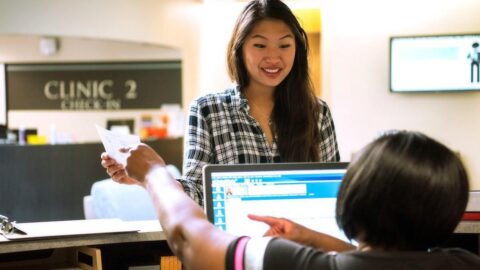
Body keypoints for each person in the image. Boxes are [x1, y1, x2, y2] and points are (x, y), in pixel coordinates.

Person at [114, 130, 480, 269]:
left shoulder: (295, 264)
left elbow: (189, 240)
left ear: (356, 199)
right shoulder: (463, 262)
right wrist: (310, 236)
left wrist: (154, 173)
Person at [101, 0, 340, 206]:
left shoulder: (317, 112)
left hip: (305, 254)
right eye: (259, 45)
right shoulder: (207, 110)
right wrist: (150, 178)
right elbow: (196, 195)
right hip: (237, 250)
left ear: (297, 50)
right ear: (240, 48)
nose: (273, 57)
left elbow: (335, 194)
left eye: (284, 45)